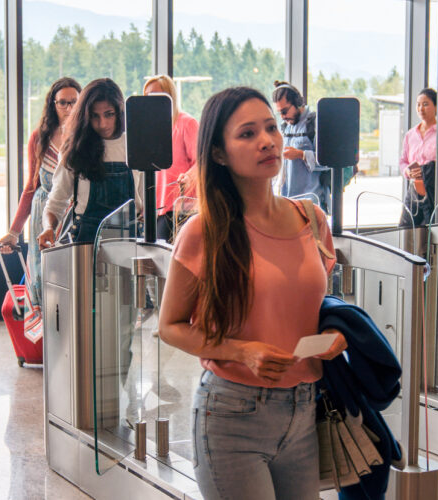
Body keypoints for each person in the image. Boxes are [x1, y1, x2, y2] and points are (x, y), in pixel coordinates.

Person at [157, 86, 347, 499]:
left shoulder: (311, 218)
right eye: (247, 134)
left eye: (271, 129)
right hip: (232, 413)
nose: (267, 141)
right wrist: (242, 351)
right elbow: (170, 326)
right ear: (220, 153)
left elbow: (315, 306)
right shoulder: (204, 232)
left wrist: (333, 337)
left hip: (305, 407)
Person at [0, 77, 81, 309]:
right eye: (63, 102)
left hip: (73, 215)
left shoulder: (85, 136)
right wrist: (14, 231)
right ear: (53, 104)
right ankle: (45, 341)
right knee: (43, 280)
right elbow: (31, 187)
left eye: (74, 101)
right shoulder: (39, 137)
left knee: (72, 280)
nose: (69, 108)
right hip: (43, 215)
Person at [37, 78, 133, 248]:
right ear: (85, 116)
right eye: (95, 116)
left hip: (129, 240)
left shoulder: (135, 146)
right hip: (86, 242)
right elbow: (56, 203)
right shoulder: (74, 150)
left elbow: (146, 203)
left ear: (120, 112)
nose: (103, 124)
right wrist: (48, 227)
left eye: (109, 114)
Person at [144, 74, 200, 241]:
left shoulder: (186, 123)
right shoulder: (150, 128)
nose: (150, 101)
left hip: (181, 208)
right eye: (147, 96)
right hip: (157, 207)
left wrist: (187, 177)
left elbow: (201, 161)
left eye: (155, 96)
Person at [272, 81, 330, 210]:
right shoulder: (285, 127)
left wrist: (301, 155)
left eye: (285, 111)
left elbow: (329, 162)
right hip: (288, 202)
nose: (283, 117)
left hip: (311, 204)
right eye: (280, 113)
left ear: (298, 103)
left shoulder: (315, 124)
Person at [399, 88, 437, 228]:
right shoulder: (410, 134)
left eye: (426, 104)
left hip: (433, 191)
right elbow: (403, 161)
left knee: (431, 230)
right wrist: (408, 172)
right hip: (414, 189)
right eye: (418, 104)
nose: (421, 108)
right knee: (406, 230)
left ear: (436, 106)